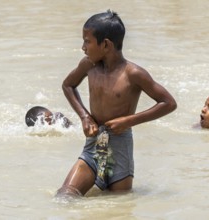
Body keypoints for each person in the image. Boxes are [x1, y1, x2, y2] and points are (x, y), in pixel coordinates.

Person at [55, 10, 177, 198]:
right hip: (93, 143)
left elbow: (168, 103)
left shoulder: (133, 73)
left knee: (118, 205)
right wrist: (85, 116)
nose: (83, 47)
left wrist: (129, 121)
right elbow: (68, 85)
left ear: (106, 45)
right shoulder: (88, 65)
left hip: (120, 147)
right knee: (65, 196)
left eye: (87, 41)